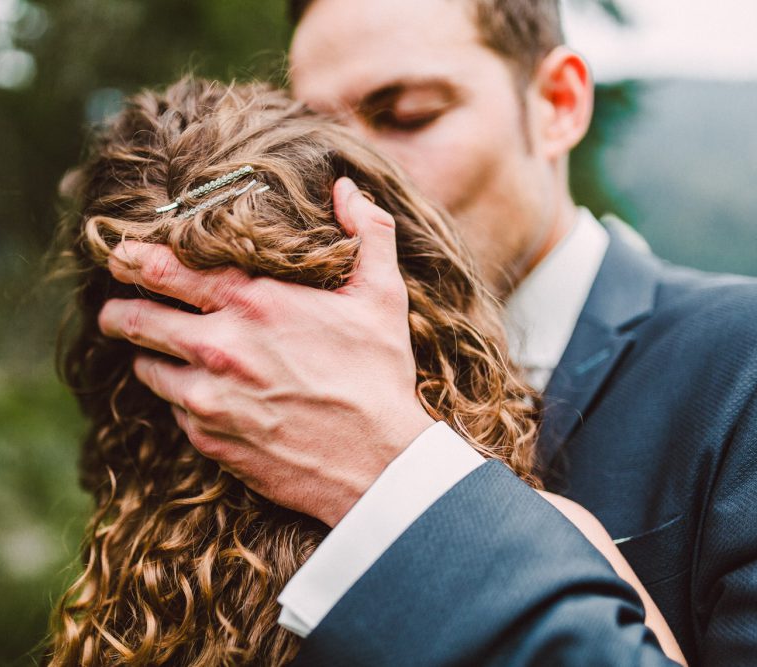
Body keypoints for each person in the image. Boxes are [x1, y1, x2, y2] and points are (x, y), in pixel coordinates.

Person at [94, 0, 757, 665]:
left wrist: (388, 473)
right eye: (318, 136)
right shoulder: (243, 397)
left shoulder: (739, 366)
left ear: (557, 104)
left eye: (407, 116)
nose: (351, 178)